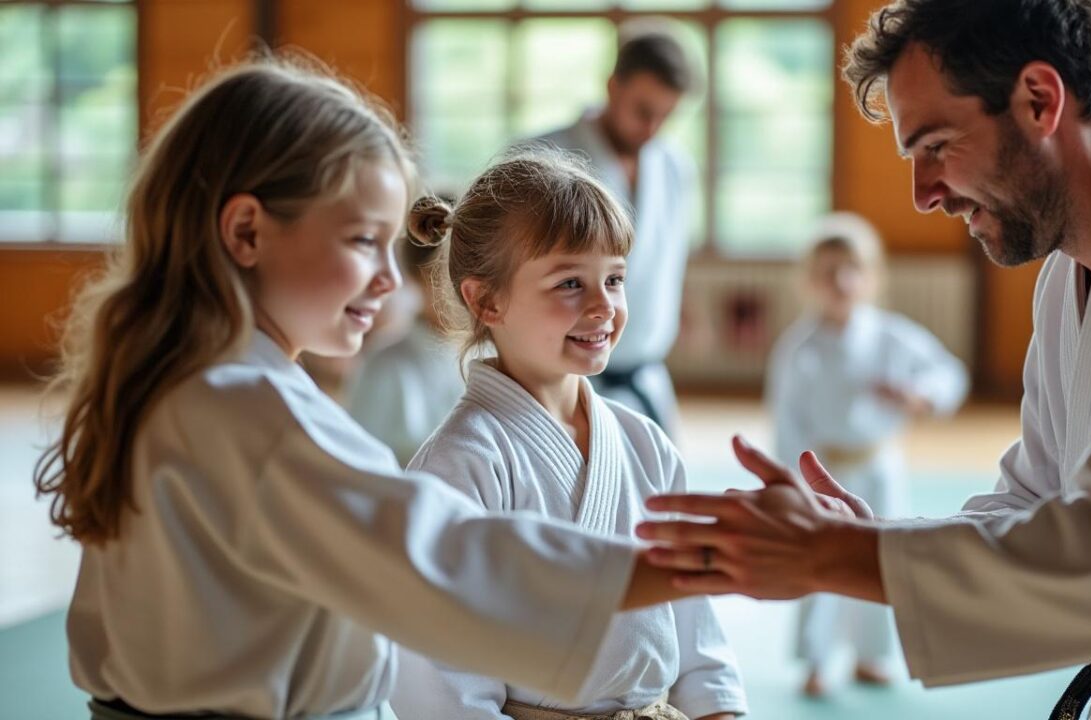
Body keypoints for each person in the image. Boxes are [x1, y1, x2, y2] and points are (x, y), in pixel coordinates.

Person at [636, 1, 1091, 718]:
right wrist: (864, 540)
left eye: (935, 145)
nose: (923, 193)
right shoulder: (1072, 269)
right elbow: (1036, 500)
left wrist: (831, 555)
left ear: (1038, 99)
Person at [32, 58, 689, 720]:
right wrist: (706, 562)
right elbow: (437, 561)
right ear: (247, 232)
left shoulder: (187, 384)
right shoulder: (242, 411)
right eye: (362, 241)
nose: (387, 279)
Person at [388, 149, 745, 720]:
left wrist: (717, 710)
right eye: (570, 282)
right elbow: (439, 681)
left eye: (616, 279)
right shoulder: (462, 463)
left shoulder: (645, 443)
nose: (604, 306)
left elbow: (696, 634)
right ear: (486, 299)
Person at [768, 212, 967, 693]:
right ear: (809, 281)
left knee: (881, 559)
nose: (840, 281)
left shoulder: (891, 335)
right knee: (821, 560)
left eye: (851, 269)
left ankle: (870, 655)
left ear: (871, 276)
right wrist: (792, 481)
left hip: (879, 465)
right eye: (828, 271)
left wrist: (921, 395)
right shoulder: (799, 349)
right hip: (822, 470)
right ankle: (816, 659)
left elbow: (949, 374)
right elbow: (786, 419)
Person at [532, 25, 697, 436]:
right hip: (560, 379)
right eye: (643, 110)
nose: (653, 127)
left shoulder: (675, 166)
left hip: (646, 374)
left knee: (656, 496)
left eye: (666, 115)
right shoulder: (542, 160)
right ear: (612, 87)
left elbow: (667, 260)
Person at [345, 233, 464, 465]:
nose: (464, 289)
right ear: (418, 277)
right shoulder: (384, 364)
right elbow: (357, 460)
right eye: (448, 275)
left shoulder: (493, 353)